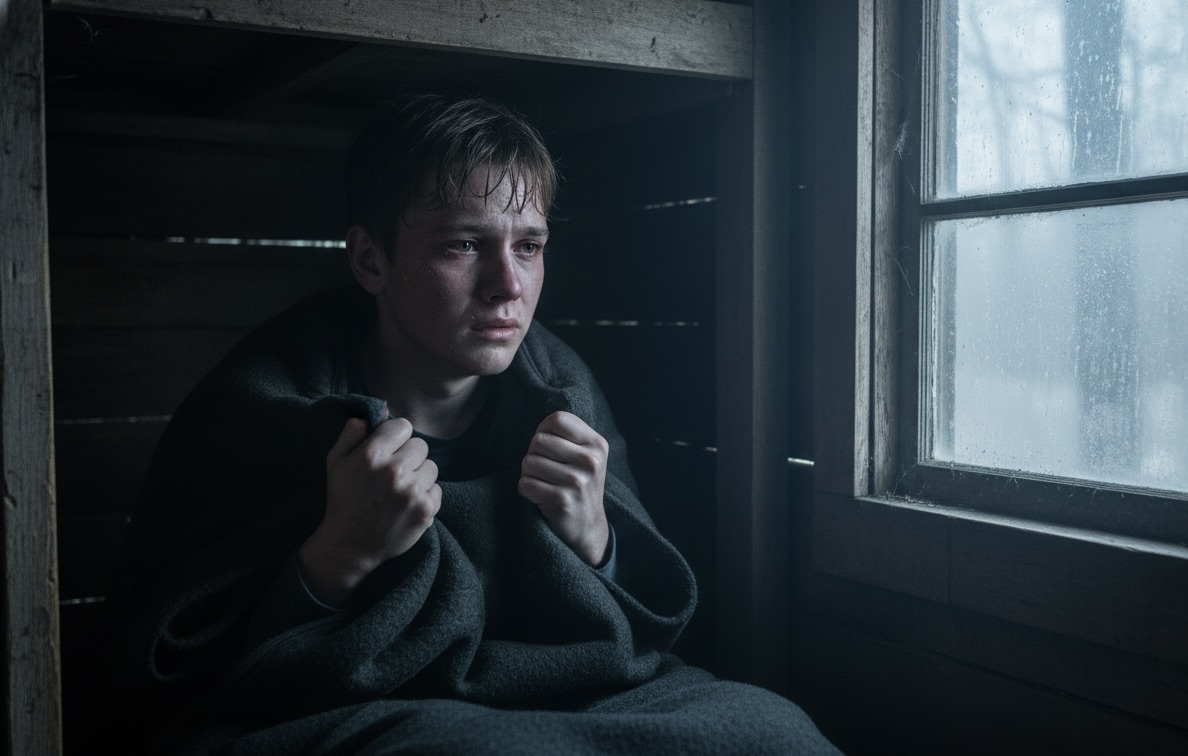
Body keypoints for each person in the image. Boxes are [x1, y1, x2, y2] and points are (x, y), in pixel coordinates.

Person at [103, 94, 839, 754]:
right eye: (462, 244)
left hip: (563, 694)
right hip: (371, 707)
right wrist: (335, 559)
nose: (508, 286)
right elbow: (171, 673)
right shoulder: (265, 405)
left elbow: (637, 629)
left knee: (771, 730)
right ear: (370, 260)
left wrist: (597, 540)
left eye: (529, 246)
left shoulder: (560, 388)